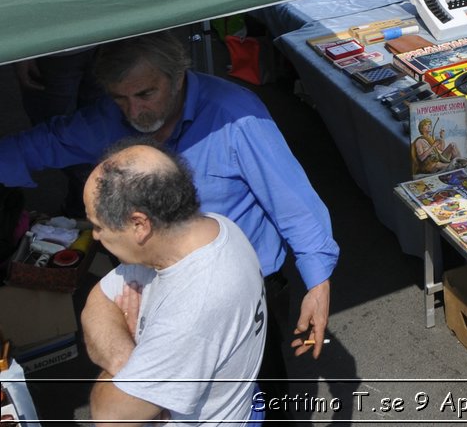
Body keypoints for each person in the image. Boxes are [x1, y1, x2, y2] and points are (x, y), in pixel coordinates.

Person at [0, 32, 335, 410]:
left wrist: (318, 282)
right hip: (156, 283)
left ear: (178, 78)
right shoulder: (111, 115)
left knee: (257, 387)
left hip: (245, 285)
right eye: (119, 98)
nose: (133, 112)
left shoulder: (235, 114)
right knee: (177, 393)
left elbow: (293, 201)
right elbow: (44, 143)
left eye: (145, 94)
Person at [81, 143, 268, 427]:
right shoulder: (213, 228)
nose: (95, 236)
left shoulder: (193, 310)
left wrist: (136, 379)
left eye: (98, 226)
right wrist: (131, 367)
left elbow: (110, 416)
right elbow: (99, 301)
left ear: (139, 225)